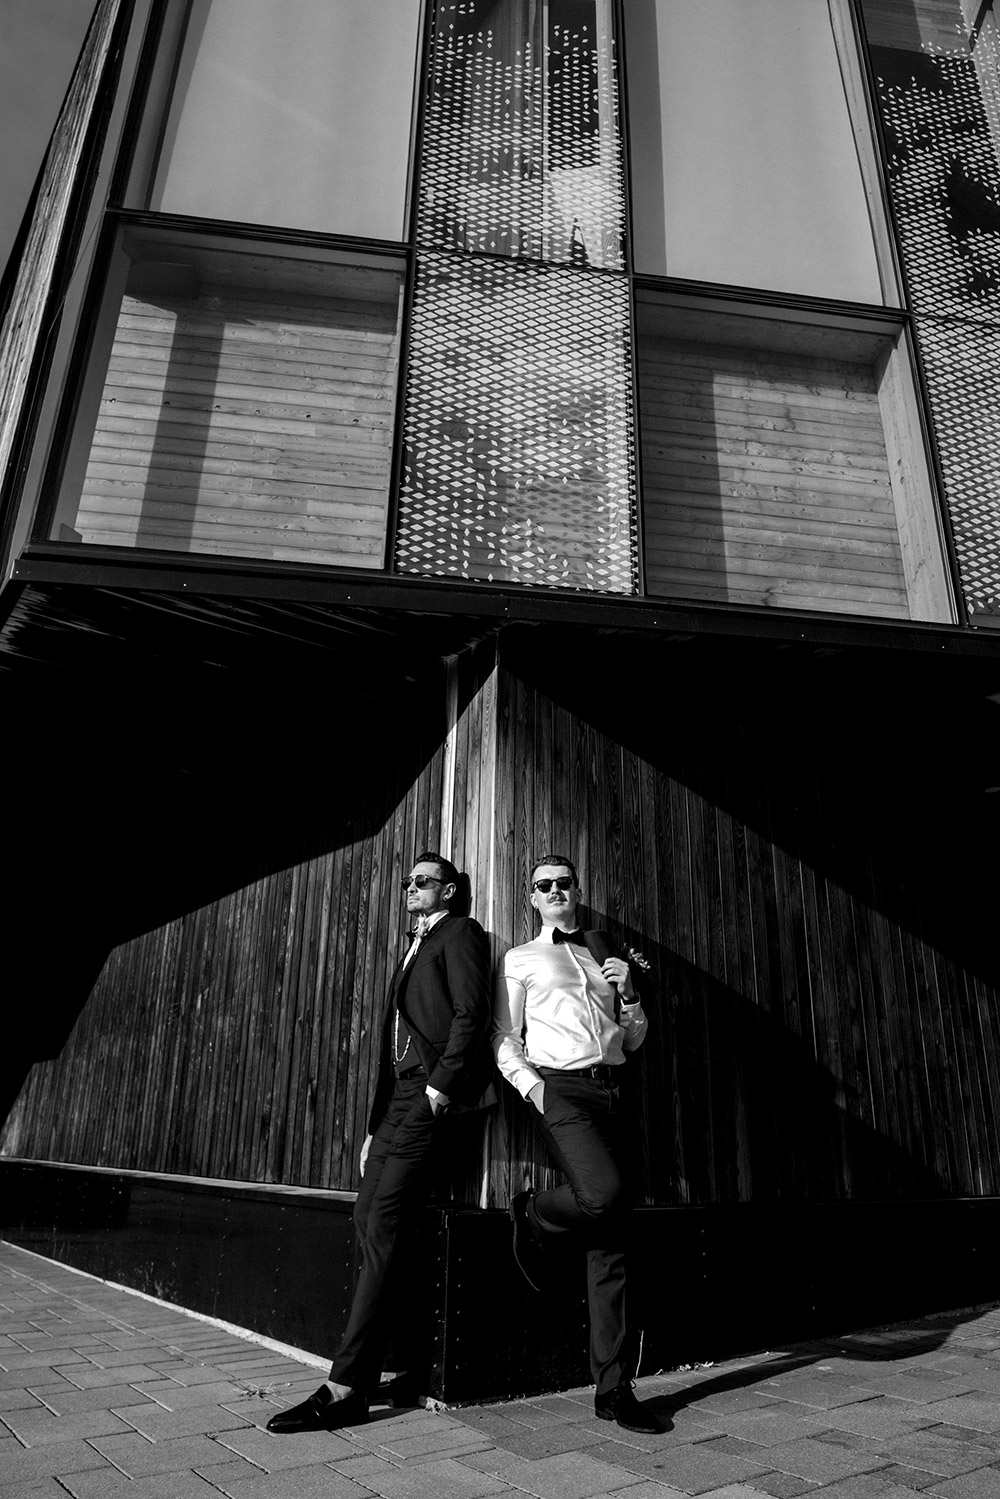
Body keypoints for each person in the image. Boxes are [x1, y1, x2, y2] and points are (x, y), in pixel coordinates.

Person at [268, 852, 491, 1434]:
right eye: (408, 882)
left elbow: (471, 1013)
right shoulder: (414, 945)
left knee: (384, 1222)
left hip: (427, 1096)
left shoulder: (460, 933)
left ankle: (346, 1384)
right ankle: (376, 1370)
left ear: (448, 891)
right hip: (396, 1104)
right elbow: (394, 1038)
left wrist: (440, 1093)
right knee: (368, 1217)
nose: (411, 889)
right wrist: (372, 1127)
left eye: (423, 881)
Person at [493, 854, 660, 1434]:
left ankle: (613, 1389)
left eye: (564, 883)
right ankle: (532, 1210)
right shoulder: (520, 958)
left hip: (613, 1089)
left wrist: (631, 994)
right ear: (533, 898)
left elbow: (633, 1040)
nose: (556, 890)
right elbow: (503, 1037)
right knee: (603, 1194)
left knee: (611, 1232)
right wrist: (535, 1090)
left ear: (576, 891)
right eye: (545, 886)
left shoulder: (601, 955)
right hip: (561, 1088)